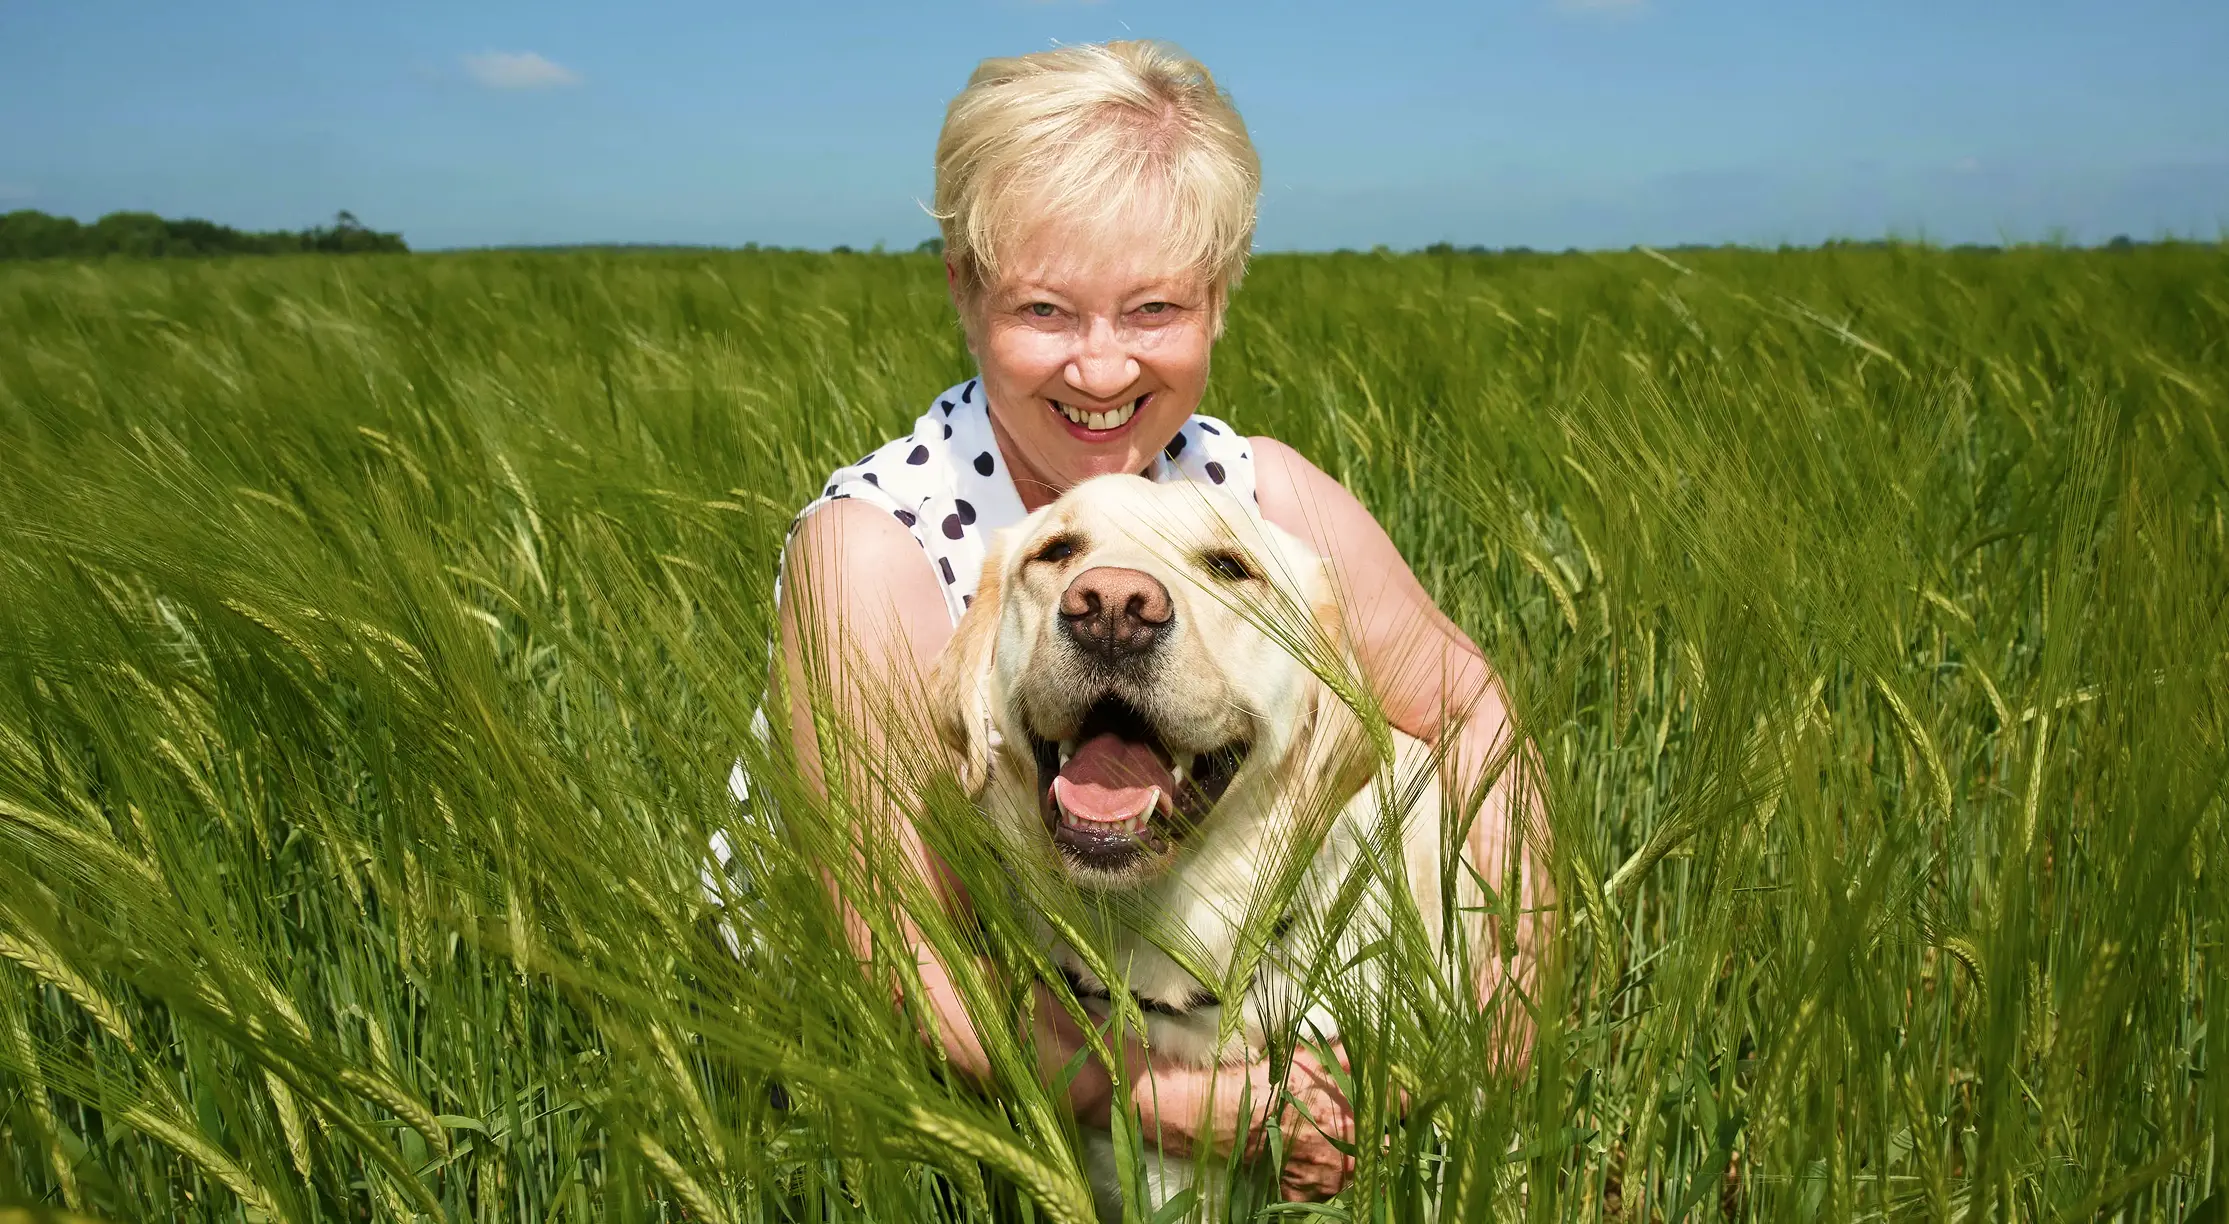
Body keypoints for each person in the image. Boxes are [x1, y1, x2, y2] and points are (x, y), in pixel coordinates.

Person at [738, 40, 1552, 1201]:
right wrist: (1214, 1112)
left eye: (1155, 307)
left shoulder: (1264, 496)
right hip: (881, 1082)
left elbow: (1471, 715)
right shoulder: (876, 550)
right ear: (965, 293)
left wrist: (1495, 1008)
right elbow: (907, 964)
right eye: (1045, 308)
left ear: (1219, 301)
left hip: (1196, 1012)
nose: (1103, 364)